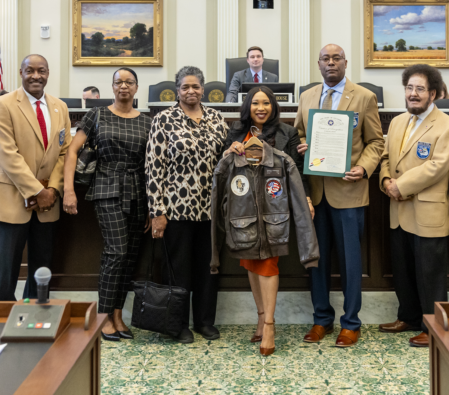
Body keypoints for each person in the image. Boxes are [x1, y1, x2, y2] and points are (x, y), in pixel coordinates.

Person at [294, 44, 385, 348]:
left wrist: (364, 167)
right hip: (316, 194)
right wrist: (304, 145)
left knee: (350, 261)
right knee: (316, 260)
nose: (330, 63)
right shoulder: (307, 97)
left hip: (349, 191)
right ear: (318, 63)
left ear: (346, 62)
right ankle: (321, 319)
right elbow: (299, 134)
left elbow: (375, 142)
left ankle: (351, 323)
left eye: (336, 58)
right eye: (325, 58)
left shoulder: (364, 96)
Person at [222, 86, 315, 351]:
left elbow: (298, 170)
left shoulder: (288, 133)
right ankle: (261, 317)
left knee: (268, 262)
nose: (261, 108)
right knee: (251, 260)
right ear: (247, 107)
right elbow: (225, 167)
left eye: (266, 103)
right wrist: (230, 151)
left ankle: (271, 325)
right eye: (255, 103)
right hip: (244, 209)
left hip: (276, 208)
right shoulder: (236, 132)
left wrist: (306, 197)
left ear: (274, 106)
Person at [63, 68, 152, 342]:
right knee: (116, 252)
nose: (124, 86)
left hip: (138, 192)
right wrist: (68, 190)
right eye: (118, 82)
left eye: (129, 82)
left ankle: (117, 314)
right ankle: (103, 317)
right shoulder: (97, 115)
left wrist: (153, 204)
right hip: (107, 188)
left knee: (130, 257)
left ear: (137, 88)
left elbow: (153, 164)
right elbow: (72, 150)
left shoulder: (148, 122)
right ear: (112, 87)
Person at [212, 139, 319, 356]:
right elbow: (218, 200)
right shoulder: (232, 160)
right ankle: (261, 316)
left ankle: (269, 324)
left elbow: (298, 201)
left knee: (268, 267)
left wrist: (309, 251)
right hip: (244, 228)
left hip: (274, 229)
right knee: (251, 265)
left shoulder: (282, 161)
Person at [378, 64, 449, 348]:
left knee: (430, 274)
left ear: (433, 93)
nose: (413, 94)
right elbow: (386, 157)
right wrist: (386, 180)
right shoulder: (399, 122)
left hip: (428, 211)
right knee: (403, 270)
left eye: (420, 89)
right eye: (409, 88)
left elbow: (437, 167)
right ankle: (409, 317)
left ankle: (433, 326)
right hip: (399, 210)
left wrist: (402, 186)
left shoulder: (447, 126)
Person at [146, 66, 229, 343]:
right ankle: (179, 324)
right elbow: (154, 167)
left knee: (209, 267)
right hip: (176, 209)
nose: (190, 91)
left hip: (211, 208)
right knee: (178, 270)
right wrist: (157, 211)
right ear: (177, 90)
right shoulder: (164, 119)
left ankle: (205, 321)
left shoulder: (217, 119)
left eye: (195, 87)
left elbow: (227, 161)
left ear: (203, 89)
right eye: (185, 87)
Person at [0, 54, 71, 301]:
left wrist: (53, 189)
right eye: (30, 70)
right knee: (8, 264)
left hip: (48, 201)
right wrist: (37, 191)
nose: (36, 76)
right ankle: (0, 313)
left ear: (48, 73)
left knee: (42, 263)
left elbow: (63, 152)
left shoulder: (60, 106)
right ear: (21, 73)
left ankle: (35, 309)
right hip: (14, 195)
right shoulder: (2, 104)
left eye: (42, 71)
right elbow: (6, 153)